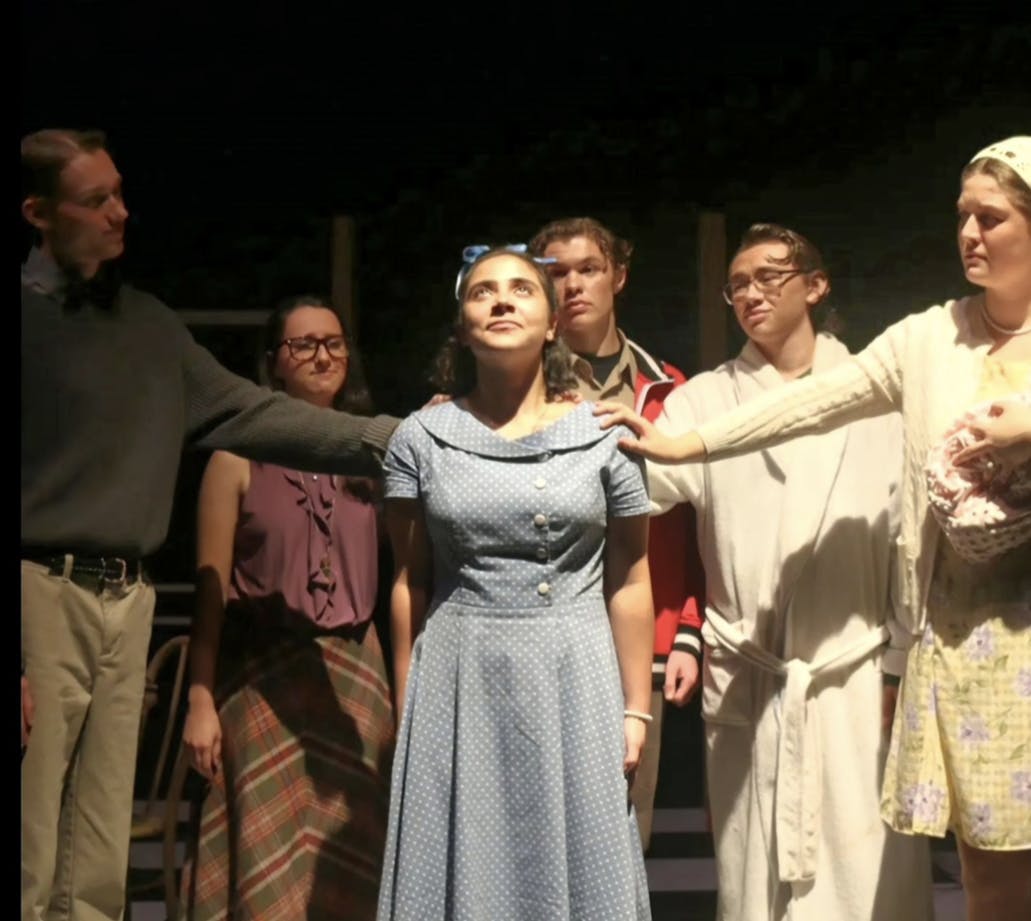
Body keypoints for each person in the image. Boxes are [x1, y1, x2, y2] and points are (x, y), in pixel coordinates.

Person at [596, 136, 1031, 921]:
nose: (968, 233)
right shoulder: (924, 342)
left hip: (955, 642)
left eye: (989, 217)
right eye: (960, 215)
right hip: (946, 645)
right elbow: (808, 403)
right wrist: (683, 440)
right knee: (985, 879)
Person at [20, 128, 399, 921]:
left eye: (121, 192)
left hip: (124, 600)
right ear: (38, 214)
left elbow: (254, 413)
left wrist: (400, 438)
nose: (121, 212)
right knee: (30, 835)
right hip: (38, 593)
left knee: (96, 850)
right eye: (96, 200)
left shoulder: (150, 326)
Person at [636, 221, 934, 920]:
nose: (749, 292)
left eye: (768, 276)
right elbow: (639, 487)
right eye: (736, 283)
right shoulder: (703, 401)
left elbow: (911, 536)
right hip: (752, 671)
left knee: (866, 873)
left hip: (856, 673)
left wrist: (900, 659)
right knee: (753, 880)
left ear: (815, 284)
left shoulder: (878, 395)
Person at [377, 246, 655, 920]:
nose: (501, 301)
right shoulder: (420, 437)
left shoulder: (600, 434)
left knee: (582, 857)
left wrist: (635, 707)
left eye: (521, 289)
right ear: (462, 324)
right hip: (459, 674)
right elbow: (410, 578)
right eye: (482, 292)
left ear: (553, 322)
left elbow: (629, 573)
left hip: (576, 673)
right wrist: (408, 697)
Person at [177, 295, 395, 920]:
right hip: (262, 679)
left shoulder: (376, 456)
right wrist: (199, 696)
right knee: (267, 858)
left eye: (333, 342)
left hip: (355, 677)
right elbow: (211, 585)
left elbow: (409, 578)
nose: (321, 355)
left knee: (351, 859)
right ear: (274, 363)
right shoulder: (234, 457)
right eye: (303, 344)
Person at [528, 218, 704, 851]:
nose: (572, 285)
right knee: (537, 830)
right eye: (555, 272)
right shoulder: (511, 387)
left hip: (643, 643)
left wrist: (687, 628)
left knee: (626, 837)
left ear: (618, 276)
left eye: (588, 269)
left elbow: (697, 524)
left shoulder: (671, 388)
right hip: (538, 638)